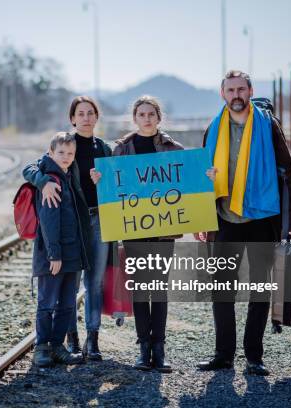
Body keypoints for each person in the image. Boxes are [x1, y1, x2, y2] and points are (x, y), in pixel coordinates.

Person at [97, 95, 215, 372]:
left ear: (159, 118)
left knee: (158, 289)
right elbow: (113, 188)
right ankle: (143, 349)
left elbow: (188, 185)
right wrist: (99, 180)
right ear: (134, 118)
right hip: (133, 228)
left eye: (151, 114)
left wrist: (205, 176)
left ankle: (159, 350)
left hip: (164, 230)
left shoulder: (174, 148)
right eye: (141, 114)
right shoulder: (121, 149)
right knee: (140, 289)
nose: (147, 118)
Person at [195, 70, 291, 376]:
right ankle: (223, 355)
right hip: (226, 219)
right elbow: (202, 175)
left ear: (251, 91)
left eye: (241, 89)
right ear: (222, 94)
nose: (236, 94)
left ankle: (254, 356)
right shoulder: (213, 128)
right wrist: (203, 217)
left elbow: (289, 171)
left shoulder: (268, 125)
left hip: (262, 218)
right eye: (231, 90)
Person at [23, 96, 112, 361]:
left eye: (90, 113)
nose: (86, 117)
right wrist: (43, 182)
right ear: (72, 118)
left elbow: (121, 179)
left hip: (97, 221)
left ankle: (92, 341)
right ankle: (68, 341)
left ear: (97, 117)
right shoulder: (65, 144)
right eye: (80, 113)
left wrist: (103, 179)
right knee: (67, 285)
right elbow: (30, 167)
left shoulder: (105, 149)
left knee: (94, 283)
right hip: (71, 224)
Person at [31, 132, 89, 368]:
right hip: (54, 256)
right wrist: (54, 254)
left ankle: (57, 346)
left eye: (70, 153)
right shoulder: (51, 181)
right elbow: (48, 221)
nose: (66, 157)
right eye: (61, 153)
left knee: (67, 304)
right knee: (47, 303)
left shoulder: (68, 176)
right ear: (51, 153)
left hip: (73, 254)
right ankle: (42, 347)